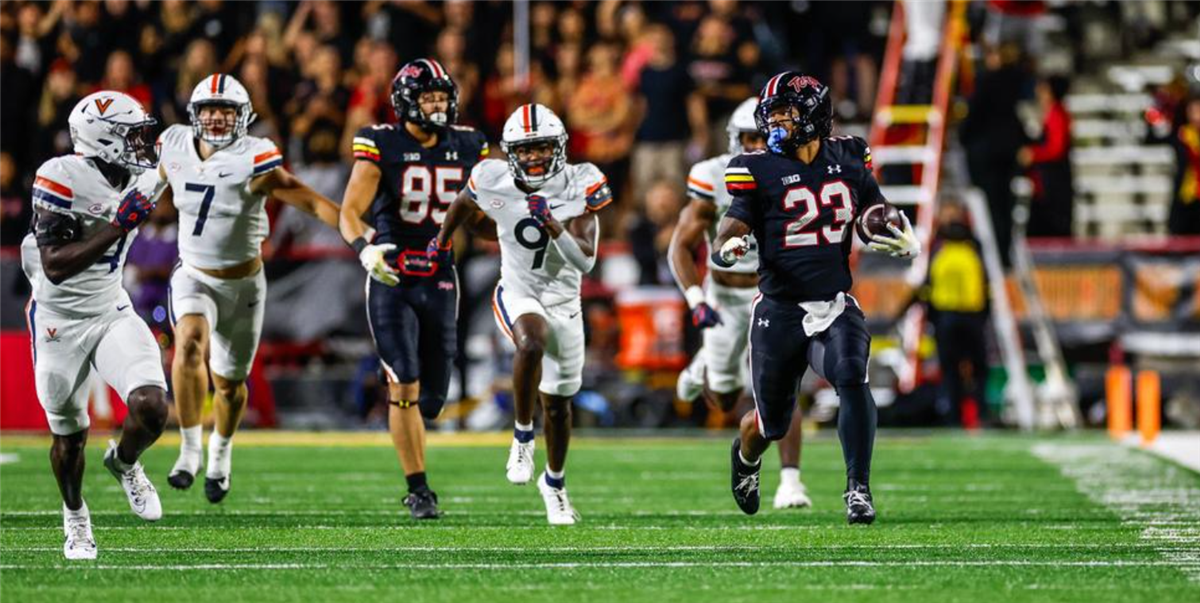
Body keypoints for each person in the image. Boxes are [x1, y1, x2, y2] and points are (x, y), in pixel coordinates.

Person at [710, 73, 920, 524]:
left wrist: (896, 231)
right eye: (773, 113)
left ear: (815, 113)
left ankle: (857, 489)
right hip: (779, 311)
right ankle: (745, 459)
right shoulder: (755, 167)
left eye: (787, 110)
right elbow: (732, 224)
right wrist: (728, 245)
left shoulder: (849, 156)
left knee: (850, 375)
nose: (777, 121)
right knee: (771, 425)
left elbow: (873, 208)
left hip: (833, 303)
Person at [162, 74, 340, 504]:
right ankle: (188, 450)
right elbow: (144, 190)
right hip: (193, 274)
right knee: (188, 344)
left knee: (230, 385)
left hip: (242, 285)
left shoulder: (254, 156)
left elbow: (310, 200)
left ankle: (220, 451)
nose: (217, 117)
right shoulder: (174, 146)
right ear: (195, 114)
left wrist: (361, 234)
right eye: (209, 109)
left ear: (243, 117)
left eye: (226, 110)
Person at [435, 103, 613, 525]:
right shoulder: (492, 176)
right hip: (517, 289)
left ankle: (554, 483)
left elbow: (586, 262)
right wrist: (442, 242)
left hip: (565, 301)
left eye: (542, 147)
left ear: (560, 147)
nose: (534, 156)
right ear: (510, 151)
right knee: (530, 340)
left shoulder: (581, 182)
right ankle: (521, 436)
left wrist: (553, 224)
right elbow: (464, 204)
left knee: (557, 405)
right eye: (525, 149)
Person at [21, 91, 171, 559]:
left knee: (151, 406)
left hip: (110, 310)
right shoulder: (60, 176)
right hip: (58, 321)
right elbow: (55, 265)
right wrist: (117, 226)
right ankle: (76, 516)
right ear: (103, 140)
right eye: (133, 136)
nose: (143, 145)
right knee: (69, 439)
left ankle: (124, 463)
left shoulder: (143, 175)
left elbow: (185, 163)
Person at [339, 59, 489, 520]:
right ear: (406, 101)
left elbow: (482, 219)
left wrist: (519, 234)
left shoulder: (469, 145)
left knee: (433, 399)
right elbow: (349, 212)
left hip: (441, 276)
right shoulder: (382, 142)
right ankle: (419, 488)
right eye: (429, 97)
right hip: (392, 274)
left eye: (443, 96)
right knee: (402, 379)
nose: (439, 104)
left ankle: (419, 464)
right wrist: (367, 248)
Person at [669, 97, 811, 510]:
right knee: (725, 398)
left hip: (773, 292)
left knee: (781, 385)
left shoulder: (795, 172)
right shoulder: (713, 176)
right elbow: (680, 244)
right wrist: (695, 298)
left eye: (761, 138)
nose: (753, 146)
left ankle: (791, 480)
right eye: (746, 138)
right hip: (726, 296)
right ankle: (706, 367)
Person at [1018, 75, 1074, 238]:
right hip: (1049, 179)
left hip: (1054, 180)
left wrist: (1033, 154)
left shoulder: (1056, 113)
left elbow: (1056, 148)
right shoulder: (1053, 113)